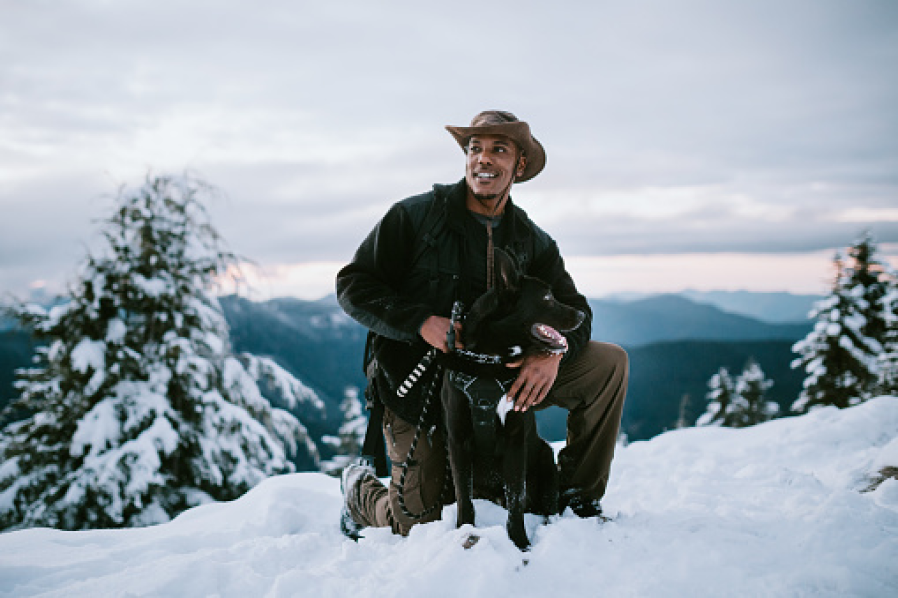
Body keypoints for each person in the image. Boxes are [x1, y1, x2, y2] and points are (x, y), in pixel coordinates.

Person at [335, 110, 628, 539]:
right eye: (475, 149)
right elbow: (353, 285)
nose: (483, 159)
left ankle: (578, 498)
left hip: (502, 378)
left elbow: (575, 309)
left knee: (608, 363)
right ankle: (359, 491)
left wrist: (551, 352)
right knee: (417, 525)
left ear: (519, 165)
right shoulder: (416, 218)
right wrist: (419, 322)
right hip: (423, 387)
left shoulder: (533, 240)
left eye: (498, 149)